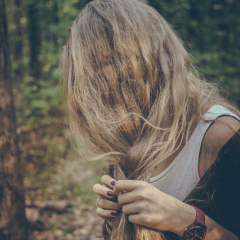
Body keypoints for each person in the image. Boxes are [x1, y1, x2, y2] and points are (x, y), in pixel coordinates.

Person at [60, 0, 240, 239]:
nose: (107, 112)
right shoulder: (128, 134)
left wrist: (186, 221)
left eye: (110, 94)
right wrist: (116, 223)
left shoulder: (223, 137)